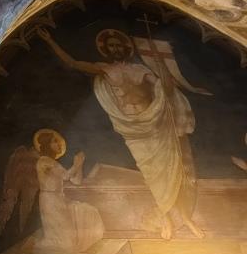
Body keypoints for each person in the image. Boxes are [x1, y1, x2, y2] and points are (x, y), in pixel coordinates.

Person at [37, 27, 204, 240]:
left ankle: (185, 219)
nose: (115, 48)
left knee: (171, 172)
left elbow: (161, 88)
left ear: (125, 48)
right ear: (106, 49)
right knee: (152, 176)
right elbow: (73, 63)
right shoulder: (104, 69)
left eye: (118, 45)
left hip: (153, 124)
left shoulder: (139, 69)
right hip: (132, 130)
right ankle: (167, 220)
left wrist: (162, 75)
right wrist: (50, 40)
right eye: (111, 46)